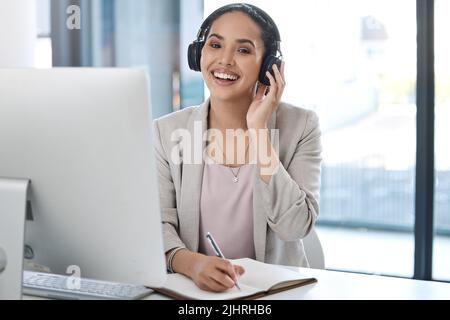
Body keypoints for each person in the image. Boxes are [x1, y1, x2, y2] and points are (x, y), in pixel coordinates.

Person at [153, 3, 322, 293]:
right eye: (215, 45)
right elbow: (157, 223)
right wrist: (191, 263)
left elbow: (294, 227)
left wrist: (258, 132)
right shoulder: (168, 131)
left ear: (269, 65)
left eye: (243, 50)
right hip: (193, 293)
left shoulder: (301, 126)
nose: (225, 60)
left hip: (275, 295)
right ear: (198, 54)